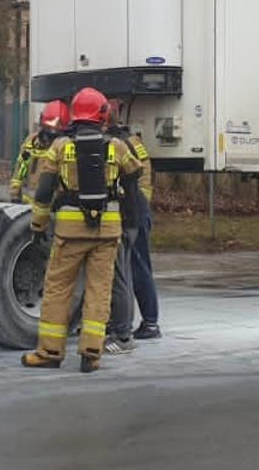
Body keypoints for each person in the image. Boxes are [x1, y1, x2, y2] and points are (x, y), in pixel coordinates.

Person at [22, 87, 143, 373]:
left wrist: (38, 227)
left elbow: (43, 192)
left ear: (74, 114)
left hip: (69, 233)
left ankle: (50, 352)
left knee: (58, 290)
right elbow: (134, 179)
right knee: (99, 291)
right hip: (107, 232)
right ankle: (91, 352)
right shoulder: (117, 146)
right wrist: (131, 222)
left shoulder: (60, 147)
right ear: (102, 114)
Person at [105, 113, 156, 350]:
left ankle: (151, 323)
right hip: (137, 210)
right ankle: (146, 322)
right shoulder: (131, 141)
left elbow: (141, 176)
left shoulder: (120, 144)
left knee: (137, 267)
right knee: (133, 266)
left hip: (134, 213)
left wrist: (136, 206)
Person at [11, 100, 69, 212]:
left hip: (55, 207)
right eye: (48, 129)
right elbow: (20, 169)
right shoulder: (31, 142)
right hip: (28, 206)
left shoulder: (66, 146)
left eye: (56, 132)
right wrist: (15, 195)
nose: (50, 137)